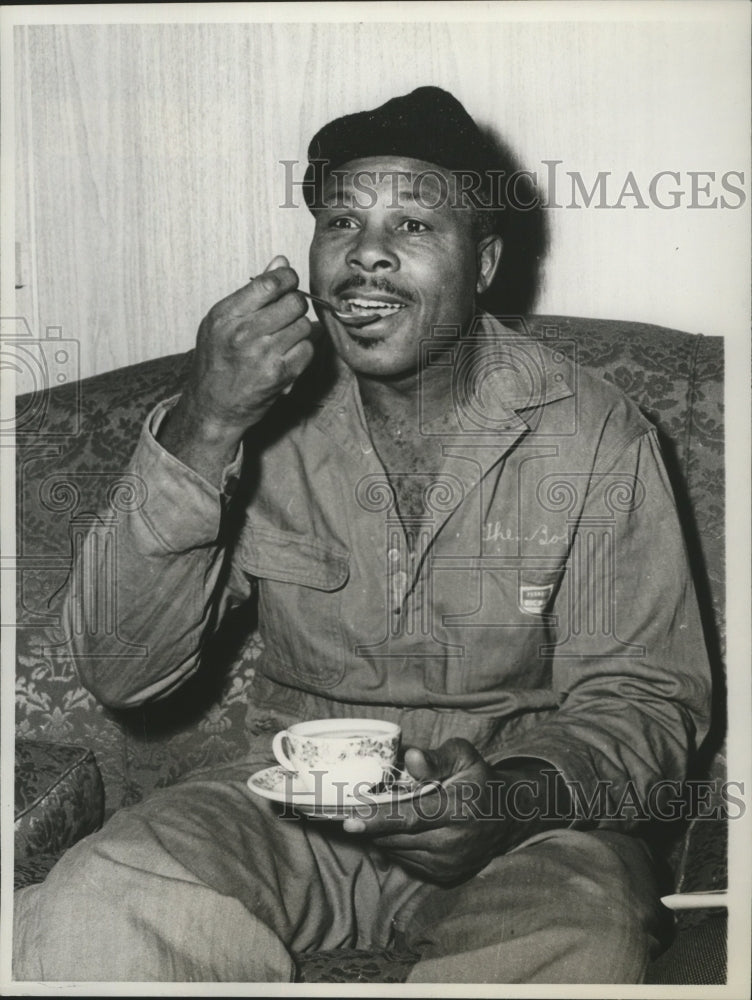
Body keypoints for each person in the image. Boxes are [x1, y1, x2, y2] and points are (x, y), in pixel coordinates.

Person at [13, 86, 711, 984]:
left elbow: (648, 699)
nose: (368, 254)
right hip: (292, 809)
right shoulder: (248, 413)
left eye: (415, 225)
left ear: (485, 262)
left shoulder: (595, 433)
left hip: (526, 827)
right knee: (97, 897)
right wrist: (206, 424)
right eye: (341, 220)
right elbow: (122, 670)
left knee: (573, 942)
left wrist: (506, 799)